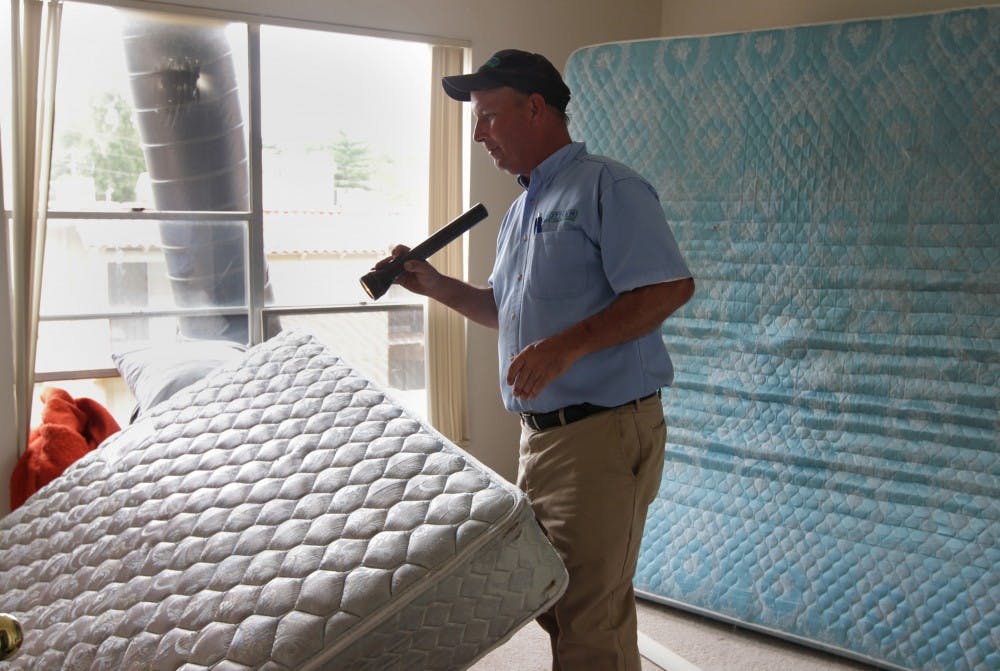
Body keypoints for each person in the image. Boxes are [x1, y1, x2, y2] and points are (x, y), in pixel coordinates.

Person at [378, 49, 695, 671]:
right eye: (475, 121)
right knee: (553, 600)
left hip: (603, 432)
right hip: (543, 441)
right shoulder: (523, 210)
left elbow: (667, 289)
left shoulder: (610, 187)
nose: (478, 135)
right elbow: (508, 308)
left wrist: (566, 347)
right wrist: (436, 286)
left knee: (588, 616)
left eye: (489, 117)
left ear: (535, 108)